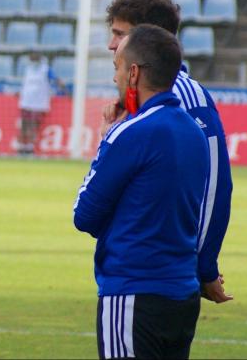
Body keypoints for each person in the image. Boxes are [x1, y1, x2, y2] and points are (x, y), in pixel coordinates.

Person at [74, 25, 210, 359]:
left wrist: (106, 138)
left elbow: (85, 215)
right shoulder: (194, 132)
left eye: (117, 67)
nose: (115, 77)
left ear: (134, 73)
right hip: (182, 291)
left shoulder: (131, 133)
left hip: (132, 290)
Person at [102, 0, 234, 304]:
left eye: (120, 35)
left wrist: (204, 267)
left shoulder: (187, 97)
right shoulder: (135, 101)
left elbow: (216, 186)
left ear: (148, 38)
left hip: (164, 278)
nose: (111, 45)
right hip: (127, 271)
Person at [16, 52, 67, 155]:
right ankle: (21, 146)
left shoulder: (46, 69)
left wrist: (63, 89)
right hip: (26, 101)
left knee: (33, 125)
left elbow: (56, 80)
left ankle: (30, 147)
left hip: (39, 103)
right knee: (24, 124)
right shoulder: (28, 69)